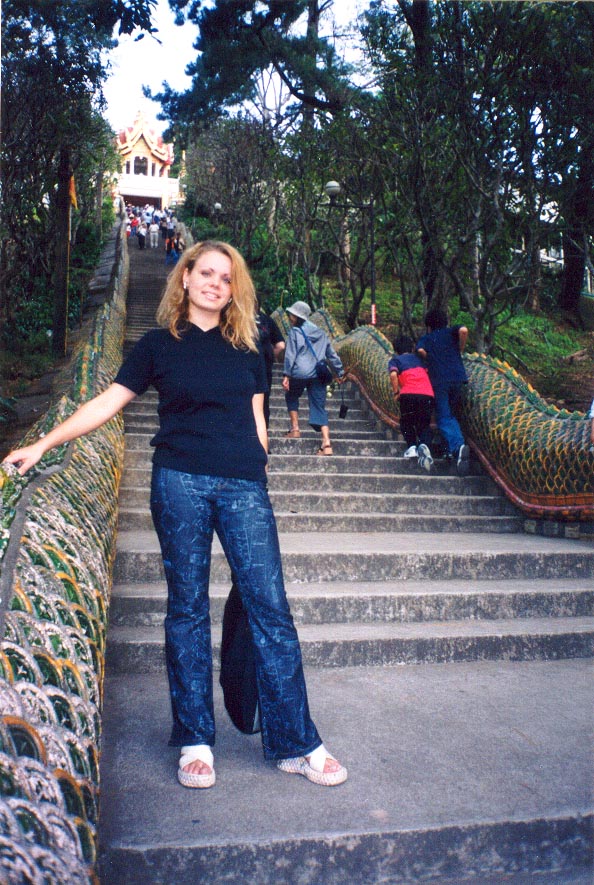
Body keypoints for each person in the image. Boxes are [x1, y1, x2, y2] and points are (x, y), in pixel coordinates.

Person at [3, 240, 347, 791]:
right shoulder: (157, 345)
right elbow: (107, 401)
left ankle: (295, 741)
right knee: (186, 609)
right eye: (205, 273)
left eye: (226, 277)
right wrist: (42, 444)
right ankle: (195, 740)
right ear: (184, 279)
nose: (215, 283)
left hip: (243, 486)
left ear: (235, 289)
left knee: (271, 608)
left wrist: (258, 471)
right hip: (179, 482)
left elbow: (258, 416)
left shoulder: (248, 345)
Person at [282, 301, 345, 455]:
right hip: (318, 373)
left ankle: (295, 429)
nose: (290, 318)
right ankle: (326, 443)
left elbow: (290, 355)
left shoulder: (294, 332)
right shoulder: (321, 333)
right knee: (319, 405)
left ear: (297, 317)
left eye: (292, 315)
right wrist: (340, 371)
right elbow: (331, 354)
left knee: (291, 396)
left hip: (299, 372)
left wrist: (286, 375)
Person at [416, 308, 470, 476]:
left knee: (444, 416)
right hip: (458, 378)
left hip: (439, 380)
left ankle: (457, 446)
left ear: (429, 326)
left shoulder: (427, 338)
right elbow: (464, 330)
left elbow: (419, 350)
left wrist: (430, 357)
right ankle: (453, 449)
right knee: (451, 415)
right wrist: (460, 348)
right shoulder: (451, 333)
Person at [389, 335, 435, 472]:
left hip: (408, 394)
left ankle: (412, 447)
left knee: (407, 422)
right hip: (427, 393)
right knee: (424, 423)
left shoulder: (395, 360)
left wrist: (396, 391)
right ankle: (424, 446)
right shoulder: (420, 360)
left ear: (396, 349)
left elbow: (393, 375)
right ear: (411, 347)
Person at [256, 309, 285, 428]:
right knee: (263, 402)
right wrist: (271, 356)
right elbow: (281, 345)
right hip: (265, 366)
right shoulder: (267, 320)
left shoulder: (237, 317)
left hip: (243, 366)